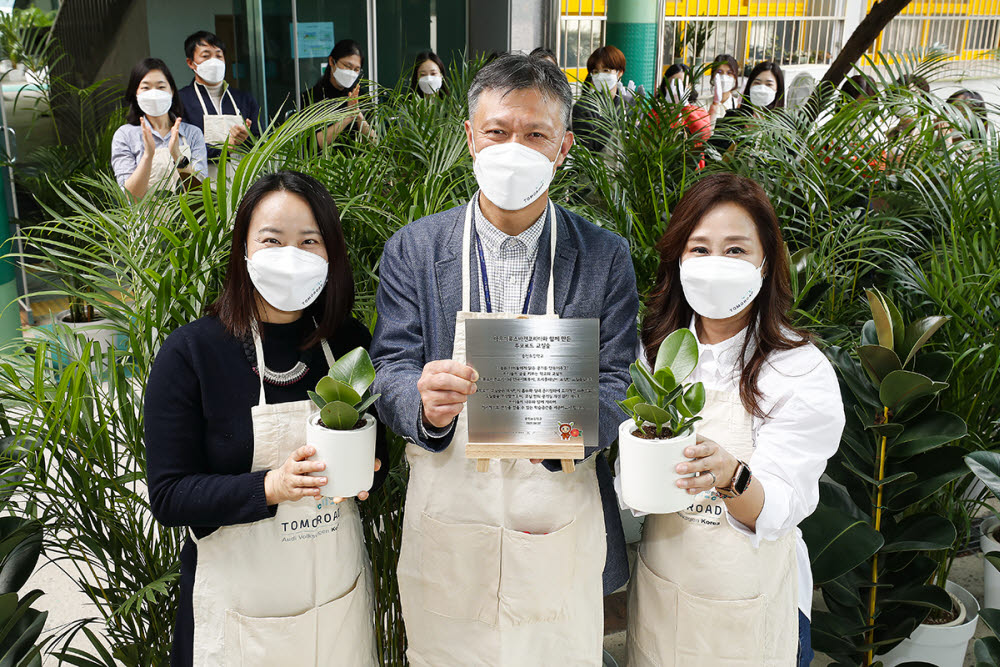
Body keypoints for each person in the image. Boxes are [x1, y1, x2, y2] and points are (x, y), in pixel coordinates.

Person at [370, 53, 639, 665]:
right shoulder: (416, 249)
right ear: (470, 137)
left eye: (535, 134)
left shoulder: (603, 255)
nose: (514, 147)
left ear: (563, 147)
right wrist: (422, 400)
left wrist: (555, 421)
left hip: (558, 512)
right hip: (450, 515)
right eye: (497, 131)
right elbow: (389, 368)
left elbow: (622, 382)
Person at [145, 171, 386, 666]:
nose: (291, 255)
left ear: (330, 256)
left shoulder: (347, 343)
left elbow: (376, 450)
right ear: (244, 251)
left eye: (309, 241)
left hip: (334, 605)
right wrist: (270, 487)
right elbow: (170, 496)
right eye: (272, 240)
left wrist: (369, 473)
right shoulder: (193, 353)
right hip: (241, 622)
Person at [622, 173, 844, 667]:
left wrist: (731, 475)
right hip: (663, 591)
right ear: (678, 261)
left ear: (765, 265)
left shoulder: (798, 368)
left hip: (750, 601)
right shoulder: (657, 352)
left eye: (736, 250)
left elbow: (784, 504)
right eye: (699, 249)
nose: (716, 264)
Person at [111, 58, 207, 200]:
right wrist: (148, 156)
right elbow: (129, 196)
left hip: (186, 222)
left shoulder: (192, 133)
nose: (154, 94)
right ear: (135, 93)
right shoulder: (125, 135)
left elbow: (200, 195)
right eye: (146, 87)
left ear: (172, 91)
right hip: (143, 222)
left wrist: (178, 157)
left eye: (161, 87)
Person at [178, 31, 261, 180]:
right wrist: (226, 149)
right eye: (206, 56)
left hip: (242, 182)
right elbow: (183, 149)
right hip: (202, 187)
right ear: (191, 63)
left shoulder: (243, 99)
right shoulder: (181, 100)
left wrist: (246, 140)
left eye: (218, 55)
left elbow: (260, 142)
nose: (214, 61)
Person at [301, 39, 377, 147]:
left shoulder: (362, 97)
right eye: (347, 66)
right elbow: (312, 146)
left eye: (356, 69)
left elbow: (375, 145)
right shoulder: (312, 97)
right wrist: (347, 117)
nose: (351, 73)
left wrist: (359, 116)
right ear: (332, 61)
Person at [571, 45, 637, 154]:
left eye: (606, 70)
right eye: (596, 72)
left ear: (619, 73)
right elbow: (586, 149)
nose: (600, 76)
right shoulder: (583, 107)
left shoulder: (627, 105)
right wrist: (609, 118)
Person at [711, 60, 784, 151]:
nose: (761, 88)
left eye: (769, 84)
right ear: (749, 86)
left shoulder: (783, 127)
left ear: (778, 89)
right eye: (757, 83)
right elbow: (713, 151)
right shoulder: (733, 118)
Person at [657, 63, 711, 149]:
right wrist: (668, 111)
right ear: (665, 86)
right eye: (674, 83)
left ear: (689, 87)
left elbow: (704, 135)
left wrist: (684, 107)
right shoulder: (656, 112)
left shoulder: (700, 112)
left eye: (682, 84)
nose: (678, 88)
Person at [708, 54, 741, 125]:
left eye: (729, 73)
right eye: (719, 72)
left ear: (735, 77)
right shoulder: (701, 105)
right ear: (713, 76)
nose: (724, 77)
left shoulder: (738, 106)